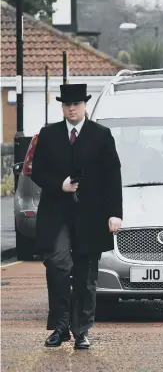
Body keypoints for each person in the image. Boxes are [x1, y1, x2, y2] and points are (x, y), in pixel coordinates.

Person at [31, 83, 123, 349]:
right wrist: (59, 185)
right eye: (67, 105)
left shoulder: (101, 135)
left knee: (86, 274)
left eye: (77, 104)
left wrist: (115, 214)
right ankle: (60, 327)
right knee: (58, 265)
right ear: (62, 107)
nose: (72, 109)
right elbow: (37, 171)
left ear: (85, 106)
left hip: (91, 215)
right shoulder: (48, 135)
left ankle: (81, 330)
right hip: (56, 213)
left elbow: (112, 176)